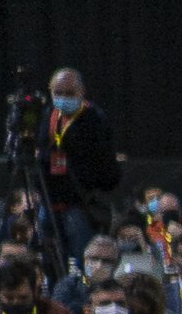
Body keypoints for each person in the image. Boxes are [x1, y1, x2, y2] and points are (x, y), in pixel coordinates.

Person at [33, 68, 122, 249]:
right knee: (46, 251)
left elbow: (105, 166)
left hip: (78, 201)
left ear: (81, 92)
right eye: (58, 93)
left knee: (81, 253)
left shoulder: (94, 119)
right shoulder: (48, 113)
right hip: (48, 198)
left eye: (69, 93)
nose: (63, 98)